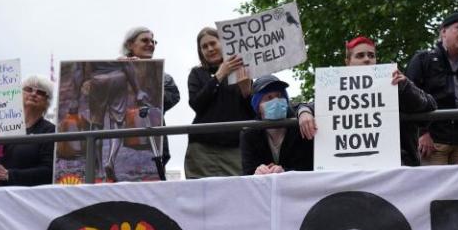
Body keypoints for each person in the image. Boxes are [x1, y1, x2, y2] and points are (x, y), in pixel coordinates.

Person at [296, 35, 437, 166]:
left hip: (398, 166)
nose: (367, 59)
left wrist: (407, 87)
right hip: (351, 169)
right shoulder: (335, 91)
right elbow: (310, 106)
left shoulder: (395, 86)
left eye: (371, 55)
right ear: (348, 62)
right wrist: (304, 112)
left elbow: (430, 106)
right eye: (360, 55)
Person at [407, 12, 458, 165]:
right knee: (435, 187)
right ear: (443, 32)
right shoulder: (423, 60)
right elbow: (410, 97)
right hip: (433, 141)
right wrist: (422, 133)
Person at [184, 27, 255, 178]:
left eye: (213, 43)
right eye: (204, 46)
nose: (209, 49)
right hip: (202, 150)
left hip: (235, 148)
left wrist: (247, 92)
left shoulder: (242, 71)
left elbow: (253, 111)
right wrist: (219, 75)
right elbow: (196, 104)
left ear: (223, 43)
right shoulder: (197, 74)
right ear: (200, 51)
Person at [119, 26, 180, 178]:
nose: (151, 44)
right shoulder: (117, 70)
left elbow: (173, 97)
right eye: (145, 40)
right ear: (129, 45)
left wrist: (146, 77)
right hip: (123, 143)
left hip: (155, 145)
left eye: (153, 41)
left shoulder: (163, 76)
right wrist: (120, 71)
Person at [240, 75, 313, 175]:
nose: (276, 101)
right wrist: (256, 173)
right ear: (257, 106)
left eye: (279, 95)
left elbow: (308, 168)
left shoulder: (298, 127)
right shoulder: (249, 134)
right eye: (269, 98)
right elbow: (247, 172)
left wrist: (285, 172)